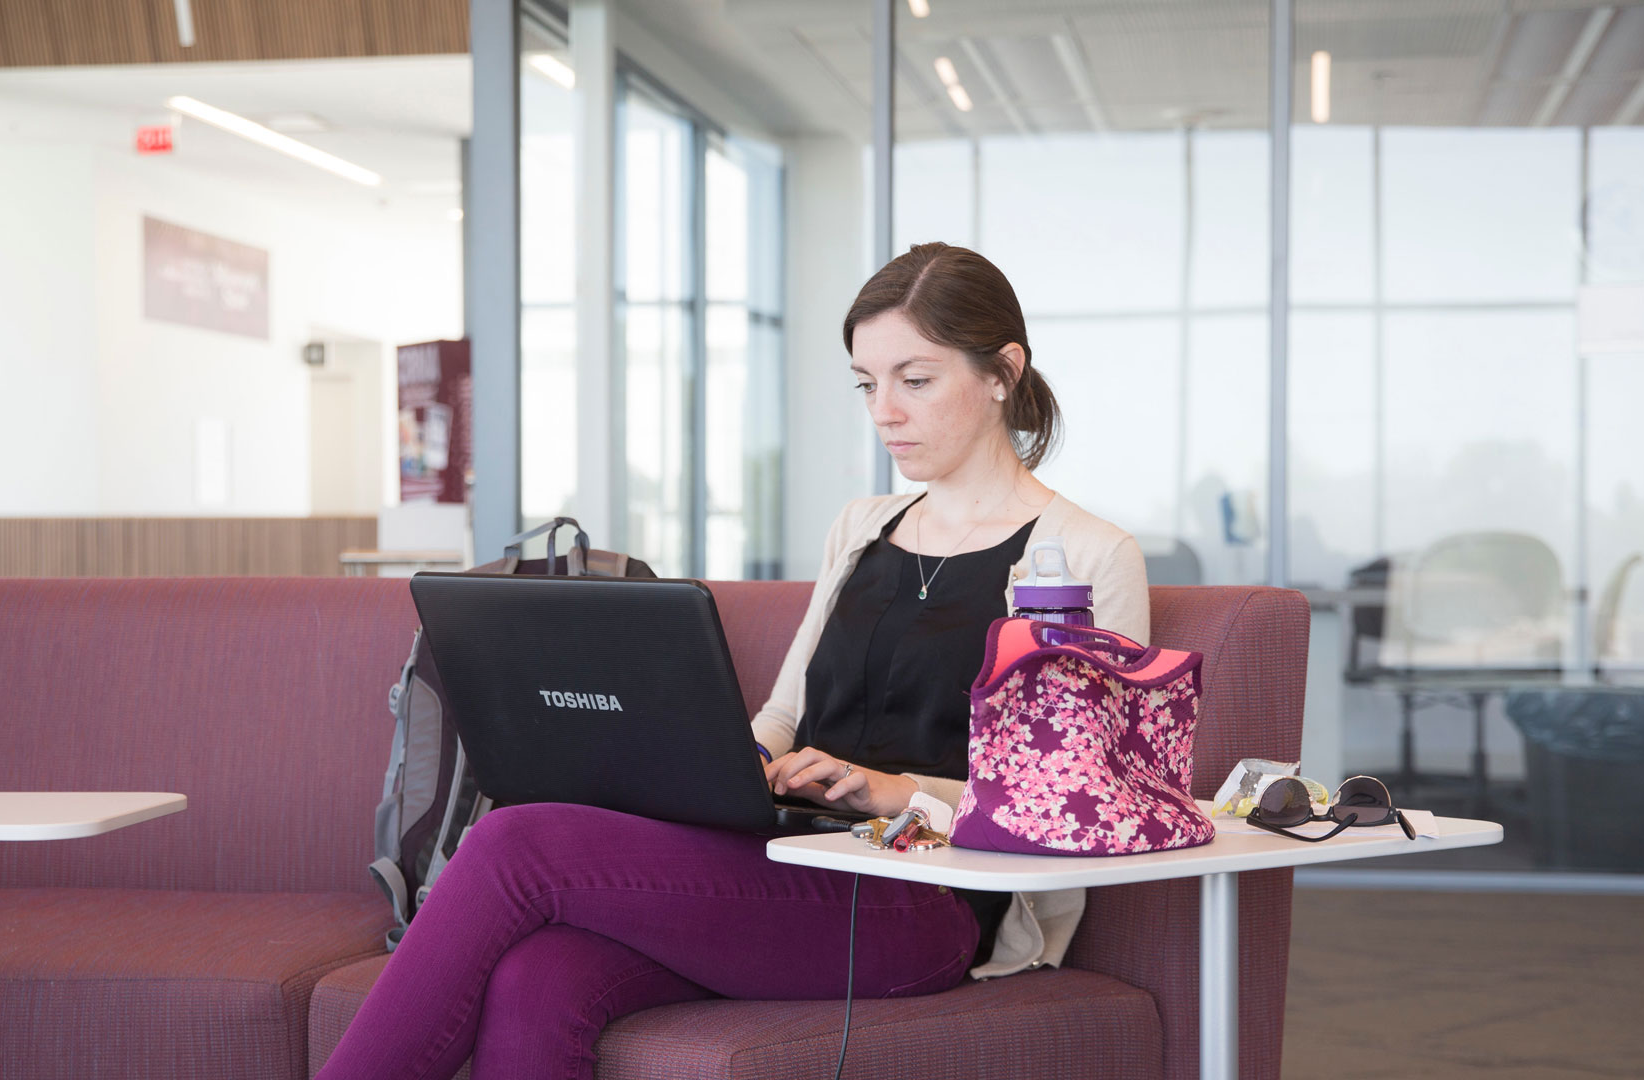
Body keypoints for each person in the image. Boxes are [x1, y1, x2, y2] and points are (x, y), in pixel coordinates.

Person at [315, 243, 1149, 1080]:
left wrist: (891, 789)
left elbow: (1072, 809)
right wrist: (732, 764)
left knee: (513, 845)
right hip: (785, 859)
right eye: (867, 383)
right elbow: (782, 716)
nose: (885, 411)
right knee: (540, 979)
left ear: (1004, 371)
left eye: (915, 379)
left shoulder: (1086, 555)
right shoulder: (862, 527)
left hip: (919, 904)